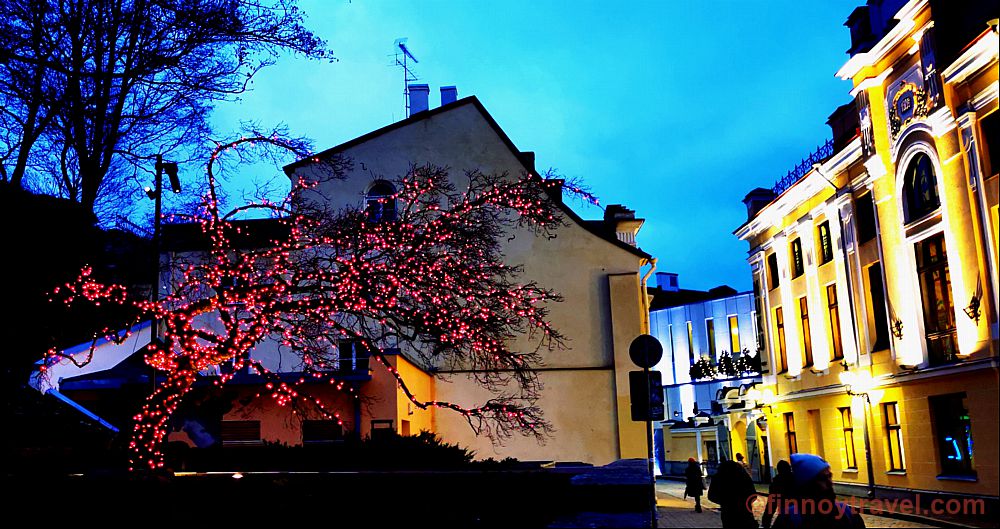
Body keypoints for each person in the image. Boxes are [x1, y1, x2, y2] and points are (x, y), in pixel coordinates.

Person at [772, 453, 866, 529]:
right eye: (822, 478)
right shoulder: (788, 520)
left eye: (829, 476)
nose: (829, 482)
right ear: (808, 484)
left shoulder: (847, 513)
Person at [708, 458, 759, 528]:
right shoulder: (744, 476)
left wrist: (724, 502)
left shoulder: (718, 477)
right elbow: (753, 495)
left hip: (728, 513)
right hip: (745, 512)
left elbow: (711, 496)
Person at [761, 460, 793, 529]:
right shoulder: (797, 479)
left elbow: (771, 505)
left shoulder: (776, 483)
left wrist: (766, 522)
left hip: (785, 514)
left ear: (778, 470)